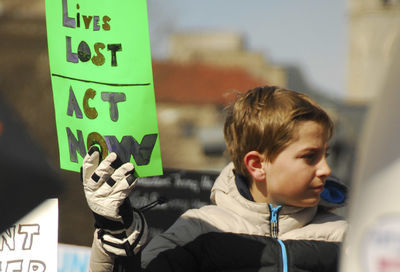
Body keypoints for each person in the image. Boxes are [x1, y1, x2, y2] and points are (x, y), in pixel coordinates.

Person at [81, 86, 347, 271]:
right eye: (309, 156)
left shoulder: (348, 237)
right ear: (256, 165)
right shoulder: (197, 230)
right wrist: (114, 231)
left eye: (326, 154)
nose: (325, 168)